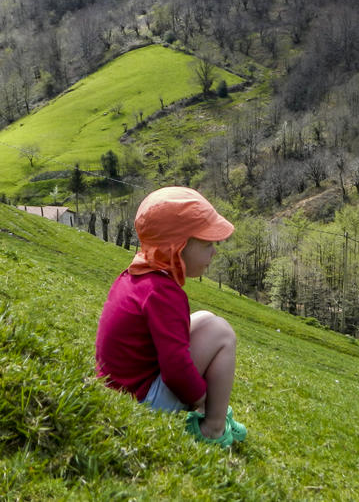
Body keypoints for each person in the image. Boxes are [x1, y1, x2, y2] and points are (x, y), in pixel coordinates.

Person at [95, 186, 246, 448]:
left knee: (204, 319)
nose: (214, 252)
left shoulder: (138, 276)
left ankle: (213, 414)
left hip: (123, 390)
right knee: (221, 333)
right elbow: (175, 370)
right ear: (178, 248)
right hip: (141, 402)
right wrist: (201, 399)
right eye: (207, 243)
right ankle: (212, 428)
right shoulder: (163, 294)